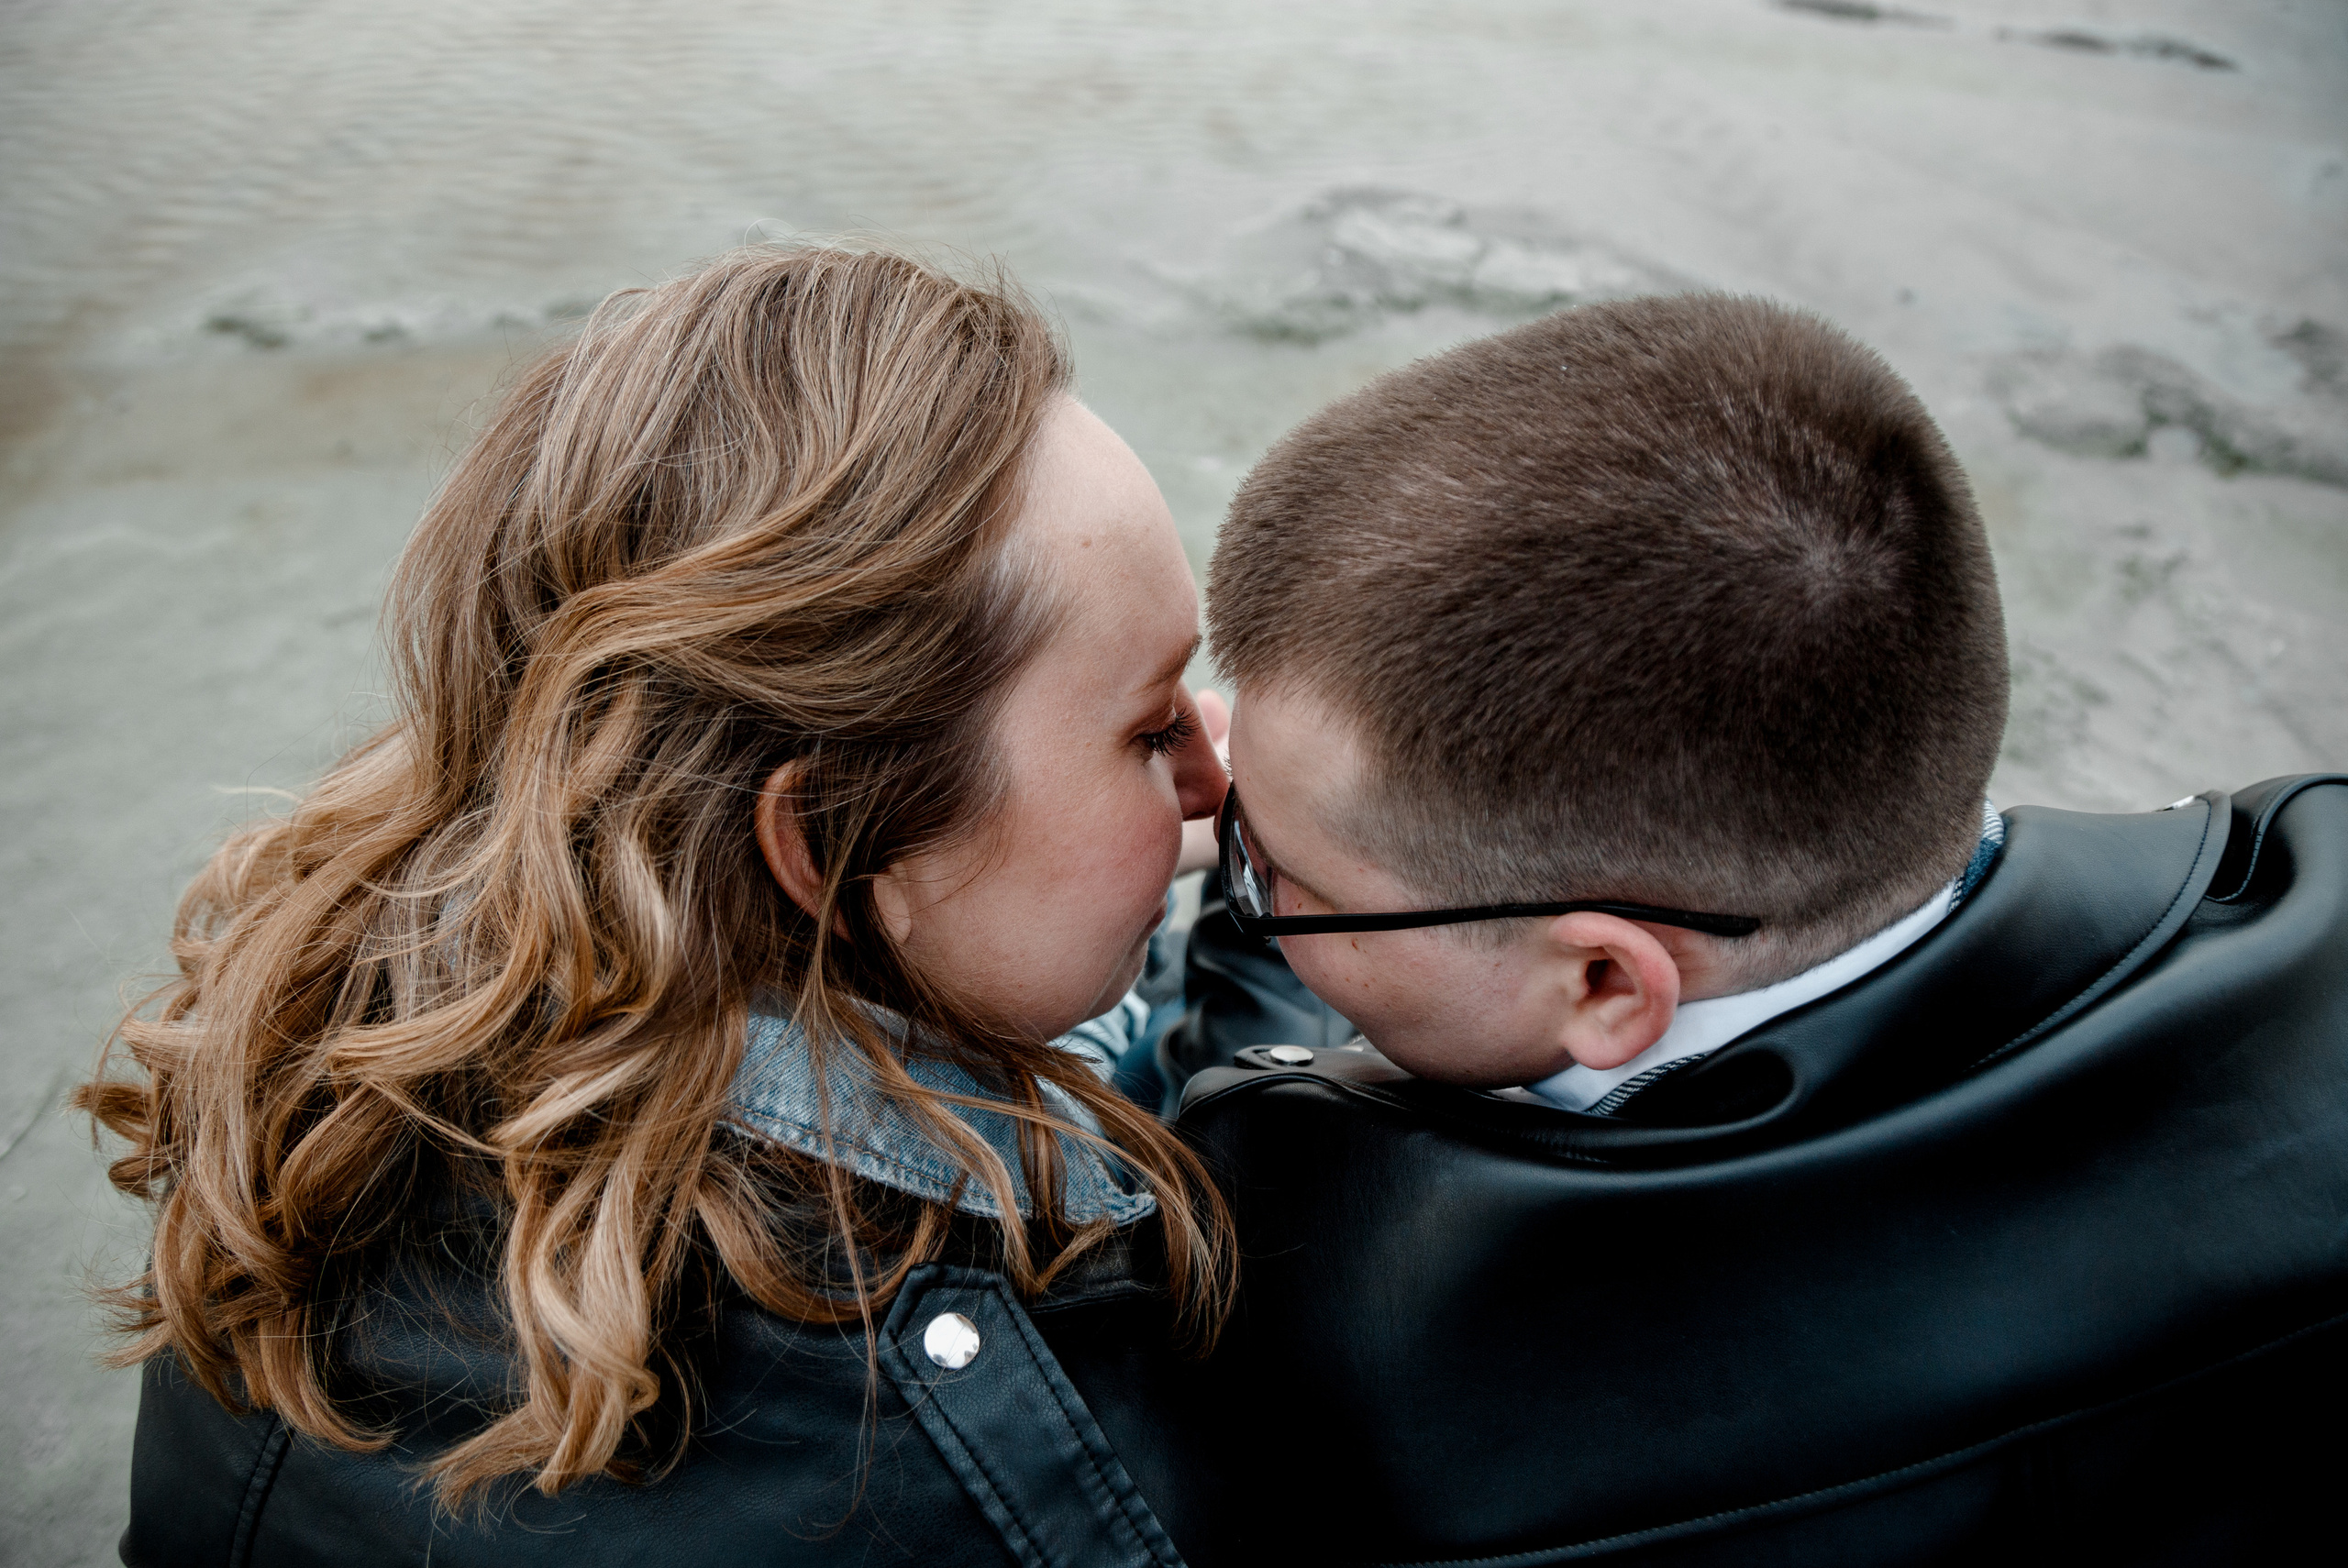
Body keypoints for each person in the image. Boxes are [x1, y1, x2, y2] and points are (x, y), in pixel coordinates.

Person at [83, 244, 1240, 1566]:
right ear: (832, 840)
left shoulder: (312, 1118)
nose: (1215, 782)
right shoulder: (951, 1469)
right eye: (1152, 729)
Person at [1168, 295, 2348, 1563]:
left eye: (1274, 869)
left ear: (1607, 982)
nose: (1226, 845)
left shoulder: (1361, 1369)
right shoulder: (2315, 866)